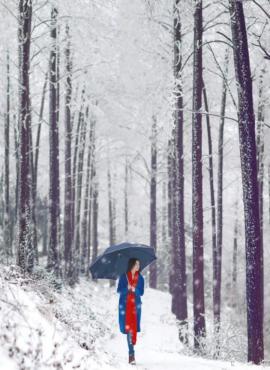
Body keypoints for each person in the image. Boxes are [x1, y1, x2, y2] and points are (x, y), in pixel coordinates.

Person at [117, 258, 144, 365]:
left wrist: (134, 290)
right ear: (132, 265)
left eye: (139, 264)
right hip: (125, 306)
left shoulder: (140, 278)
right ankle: (131, 354)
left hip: (136, 306)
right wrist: (126, 288)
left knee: (132, 328)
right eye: (137, 264)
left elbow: (141, 292)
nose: (138, 266)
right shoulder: (124, 277)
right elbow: (119, 290)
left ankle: (131, 354)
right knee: (129, 329)